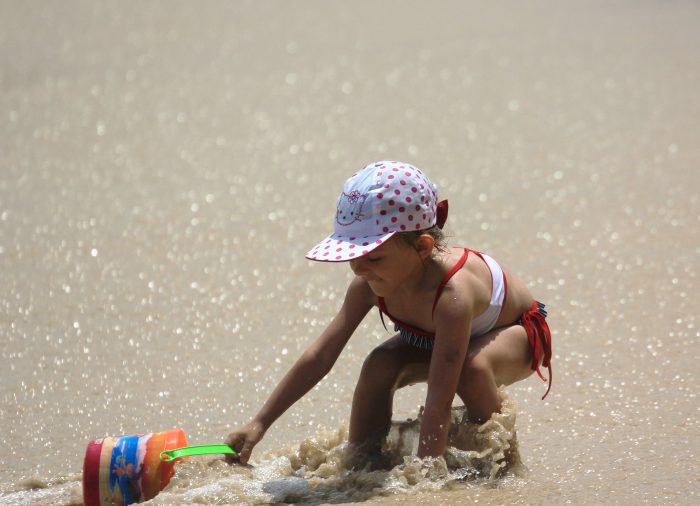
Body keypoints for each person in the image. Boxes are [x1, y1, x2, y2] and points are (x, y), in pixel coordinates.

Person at [225, 160, 552, 465]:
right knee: (379, 365)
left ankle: (501, 465)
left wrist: (426, 480)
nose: (358, 268)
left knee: (471, 368)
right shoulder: (368, 283)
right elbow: (320, 356)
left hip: (516, 335)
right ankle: (364, 461)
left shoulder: (453, 295)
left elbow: (439, 394)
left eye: (373, 257)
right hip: (438, 337)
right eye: (352, 254)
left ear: (422, 247)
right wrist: (259, 423)